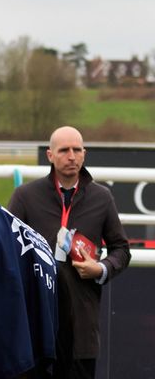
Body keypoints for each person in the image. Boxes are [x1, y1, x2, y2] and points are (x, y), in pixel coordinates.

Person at [8, 126, 130, 378]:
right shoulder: (25, 196)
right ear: (50, 155)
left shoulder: (102, 197)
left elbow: (121, 249)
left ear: (84, 154)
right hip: (35, 323)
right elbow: (7, 248)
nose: (71, 156)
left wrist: (101, 268)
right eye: (64, 150)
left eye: (77, 150)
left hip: (81, 326)